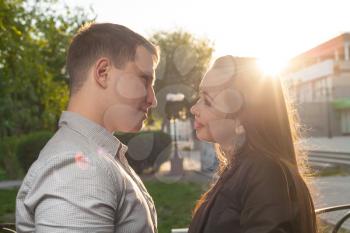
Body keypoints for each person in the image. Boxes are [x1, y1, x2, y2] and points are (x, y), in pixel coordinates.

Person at [16, 23, 159, 233]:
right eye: (144, 80)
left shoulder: (93, 157)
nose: (152, 99)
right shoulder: (79, 169)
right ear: (103, 73)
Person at [188, 56, 317, 233]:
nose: (194, 109)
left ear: (242, 121)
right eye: (199, 96)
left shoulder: (265, 172)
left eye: (208, 101)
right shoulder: (242, 168)